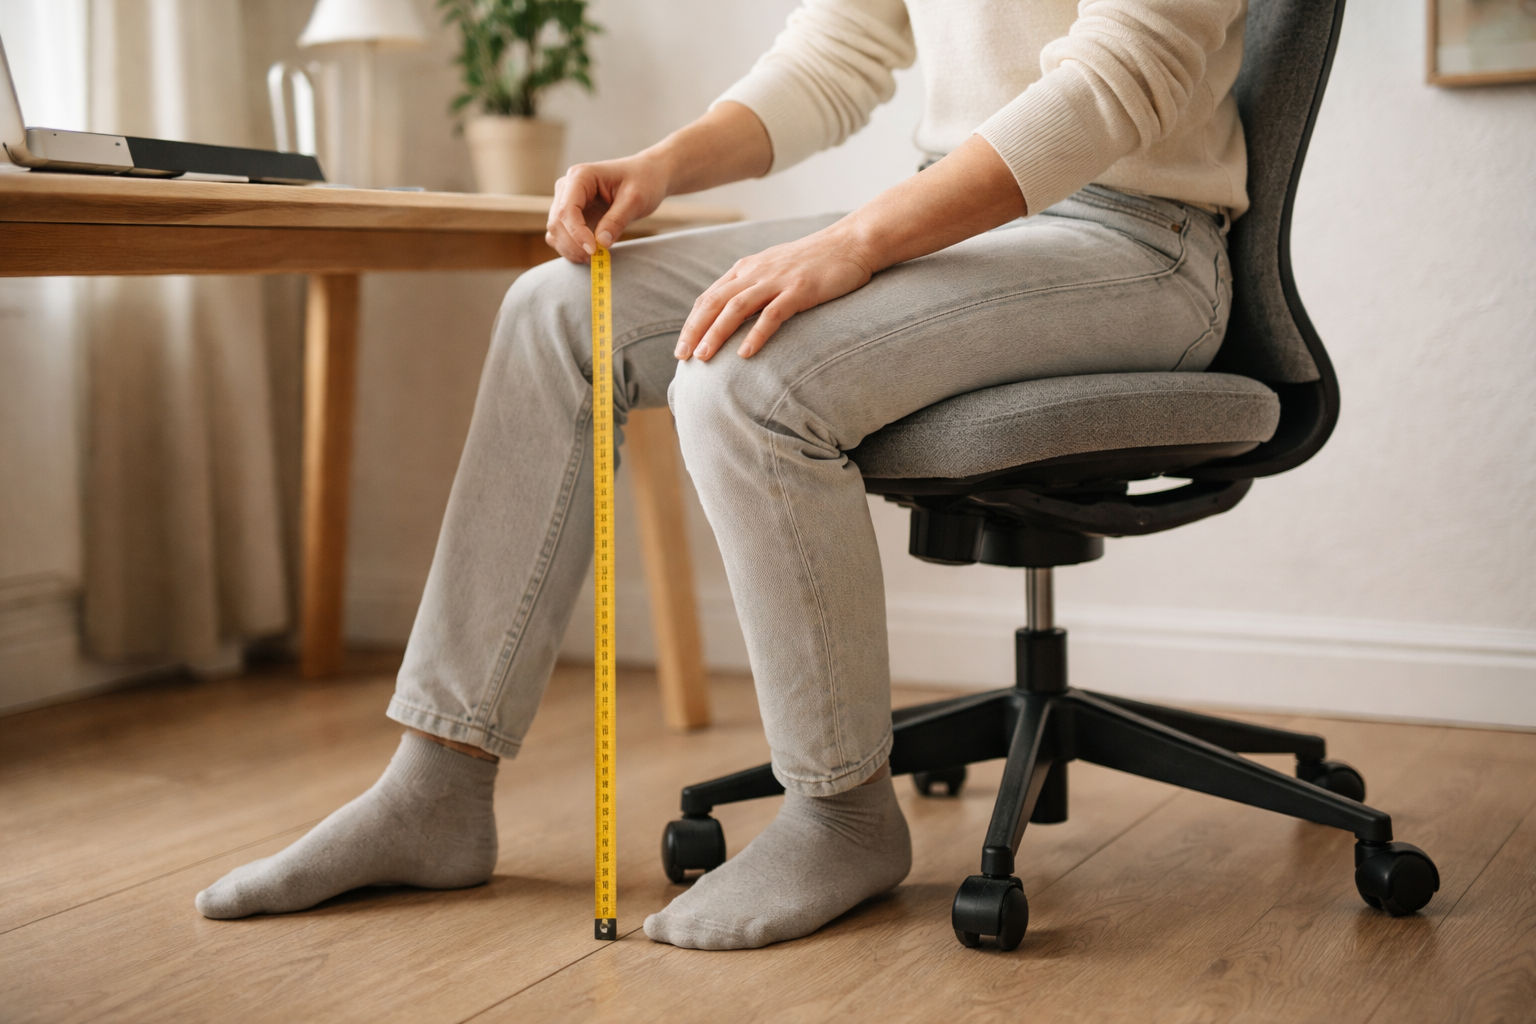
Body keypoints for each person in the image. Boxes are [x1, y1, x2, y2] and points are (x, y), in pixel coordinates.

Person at [195, 0, 1249, 949]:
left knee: (746, 377)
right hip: (963, 226)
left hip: (1136, 242)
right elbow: (837, 51)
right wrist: (666, 164)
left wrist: (862, 241)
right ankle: (438, 785)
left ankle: (842, 814)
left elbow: (1124, 76)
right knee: (556, 312)